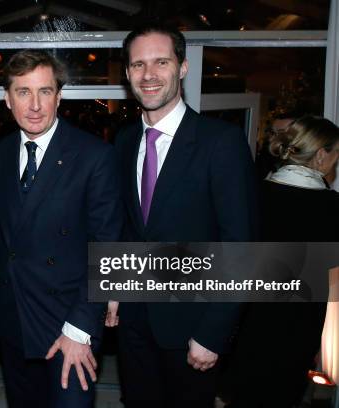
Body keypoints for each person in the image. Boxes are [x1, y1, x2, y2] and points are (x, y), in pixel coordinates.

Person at [110, 23, 258, 407]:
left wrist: (213, 333)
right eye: (138, 65)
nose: (149, 75)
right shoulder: (125, 141)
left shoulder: (220, 143)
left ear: (183, 68)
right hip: (134, 325)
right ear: (127, 74)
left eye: (161, 62)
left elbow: (241, 247)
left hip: (193, 329)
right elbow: (130, 228)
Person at [0, 49, 123, 407]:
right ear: (7, 99)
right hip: (14, 319)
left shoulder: (93, 155)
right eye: (23, 92)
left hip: (70, 322)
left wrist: (80, 326)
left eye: (45, 91)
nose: (35, 105)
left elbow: (107, 246)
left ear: (59, 96)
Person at [224, 115, 339, 407]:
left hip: (244, 327)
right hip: (297, 333)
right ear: (322, 154)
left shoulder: (251, 194)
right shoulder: (332, 208)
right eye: (336, 153)